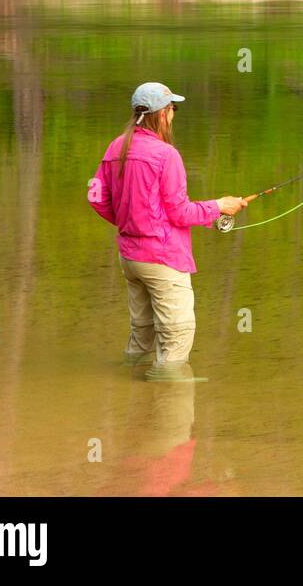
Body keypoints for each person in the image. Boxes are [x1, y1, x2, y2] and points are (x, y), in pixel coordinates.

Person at [88, 82, 247, 382]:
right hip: (162, 259)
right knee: (177, 329)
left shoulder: (115, 147)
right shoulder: (166, 155)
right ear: (161, 115)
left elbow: (96, 197)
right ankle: (169, 388)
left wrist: (127, 221)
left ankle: (131, 378)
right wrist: (219, 206)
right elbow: (179, 212)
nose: (174, 114)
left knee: (143, 328)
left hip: (130, 258)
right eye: (173, 108)